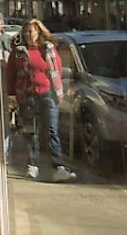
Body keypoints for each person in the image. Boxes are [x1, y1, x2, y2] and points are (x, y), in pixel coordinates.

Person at [5, 18, 76, 182]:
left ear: (39, 32)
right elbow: (11, 74)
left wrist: (60, 91)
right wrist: (12, 96)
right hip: (27, 95)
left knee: (51, 131)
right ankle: (33, 165)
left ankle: (58, 166)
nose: (30, 34)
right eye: (27, 31)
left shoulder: (49, 50)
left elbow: (58, 70)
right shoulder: (18, 52)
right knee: (31, 132)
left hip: (48, 95)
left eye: (33, 31)